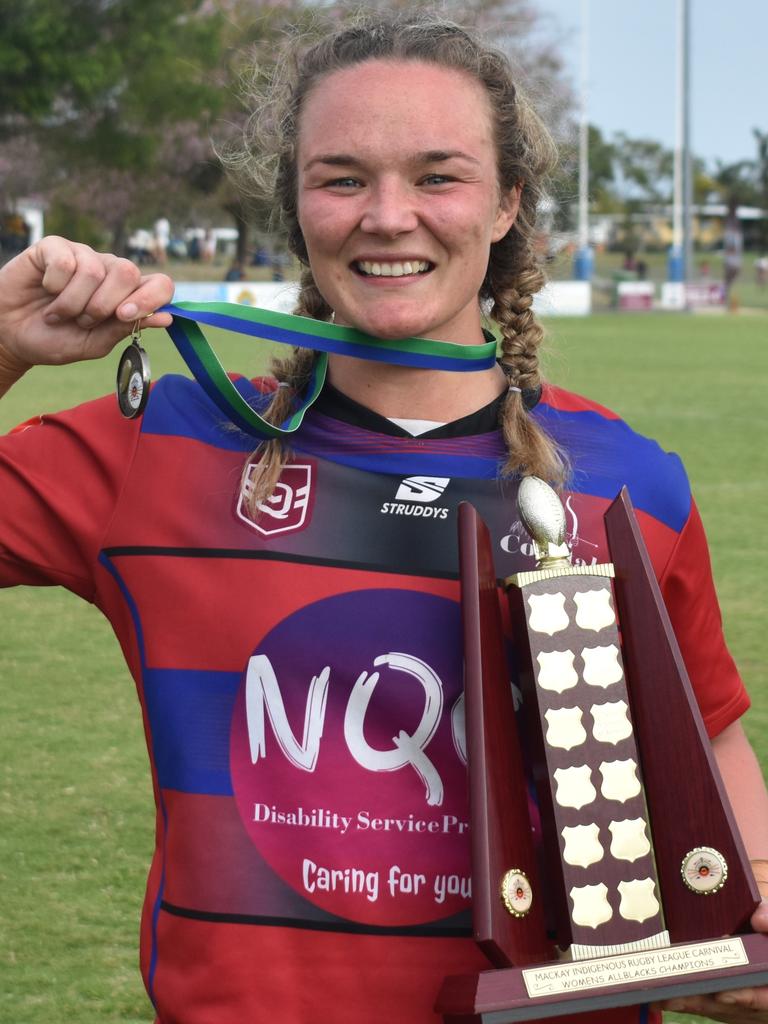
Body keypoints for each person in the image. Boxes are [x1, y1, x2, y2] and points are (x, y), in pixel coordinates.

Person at [0, 12, 767, 1024]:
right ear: (299, 207)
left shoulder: (631, 483)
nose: (389, 215)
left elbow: (714, 778)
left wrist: (731, 950)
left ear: (507, 207)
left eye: (438, 175)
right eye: (343, 177)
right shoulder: (158, 445)